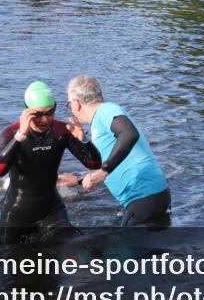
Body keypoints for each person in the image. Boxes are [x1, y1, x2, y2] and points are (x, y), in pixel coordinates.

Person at [0, 81, 101, 244]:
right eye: (37, 114)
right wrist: (21, 135)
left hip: (51, 209)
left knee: (68, 251)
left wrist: (84, 140)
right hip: (17, 211)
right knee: (9, 259)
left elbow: (94, 164)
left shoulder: (62, 131)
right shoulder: (10, 133)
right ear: (26, 111)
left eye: (50, 113)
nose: (44, 119)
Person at [66, 76, 171, 226]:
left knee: (122, 248)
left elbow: (129, 134)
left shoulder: (106, 110)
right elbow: (112, 160)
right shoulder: (99, 121)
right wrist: (77, 180)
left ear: (76, 103)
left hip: (144, 197)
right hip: (151, 196)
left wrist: (103, 172)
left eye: (69, 104)